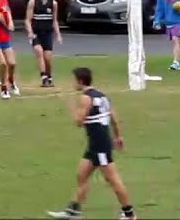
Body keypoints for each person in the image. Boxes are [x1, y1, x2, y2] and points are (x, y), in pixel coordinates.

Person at [47, 67, 135, 220]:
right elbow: (113, 117)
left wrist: (69, 105)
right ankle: (73, 212)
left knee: (113, 179)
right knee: (82, 176)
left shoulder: (86, 98)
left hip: (99, 144)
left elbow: (79, 122)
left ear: (80, 81)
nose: (73, 83)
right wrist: (118, 136)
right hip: (97, 143)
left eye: (74, 80)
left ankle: (130, 214)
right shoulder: (102, 95)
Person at [26, 0, 63, 87]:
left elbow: (55, 21)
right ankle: (43, 77)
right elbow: (28, 20)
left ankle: (49, 76)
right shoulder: (33, 2)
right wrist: (30, 32)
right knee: (39, 51)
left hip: (47, 33)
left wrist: (58, 35)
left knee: (47, 57)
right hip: (36, 32)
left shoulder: (53, 3)